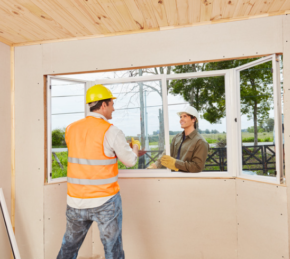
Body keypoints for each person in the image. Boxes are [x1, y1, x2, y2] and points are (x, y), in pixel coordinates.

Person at [57, 84, 140, 259]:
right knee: (113, 250)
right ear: (103, 105)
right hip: (105, 201)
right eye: (111, 104)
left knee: (69, 248)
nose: (113, 108)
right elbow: (130, 161)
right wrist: (136, 148)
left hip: (75, 201)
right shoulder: (111, 131)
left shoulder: (71, 129)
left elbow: (86, 153)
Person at [148, 106, 209, 172]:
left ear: (193, 119)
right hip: (173, 177)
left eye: (185, 116)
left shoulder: (200, 142)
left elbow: (197, 167)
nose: (181, 119)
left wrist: (175, 164)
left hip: (188, 180)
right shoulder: (177, 137)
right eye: (180, 117)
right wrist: (154, 166)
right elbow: (166, 153)